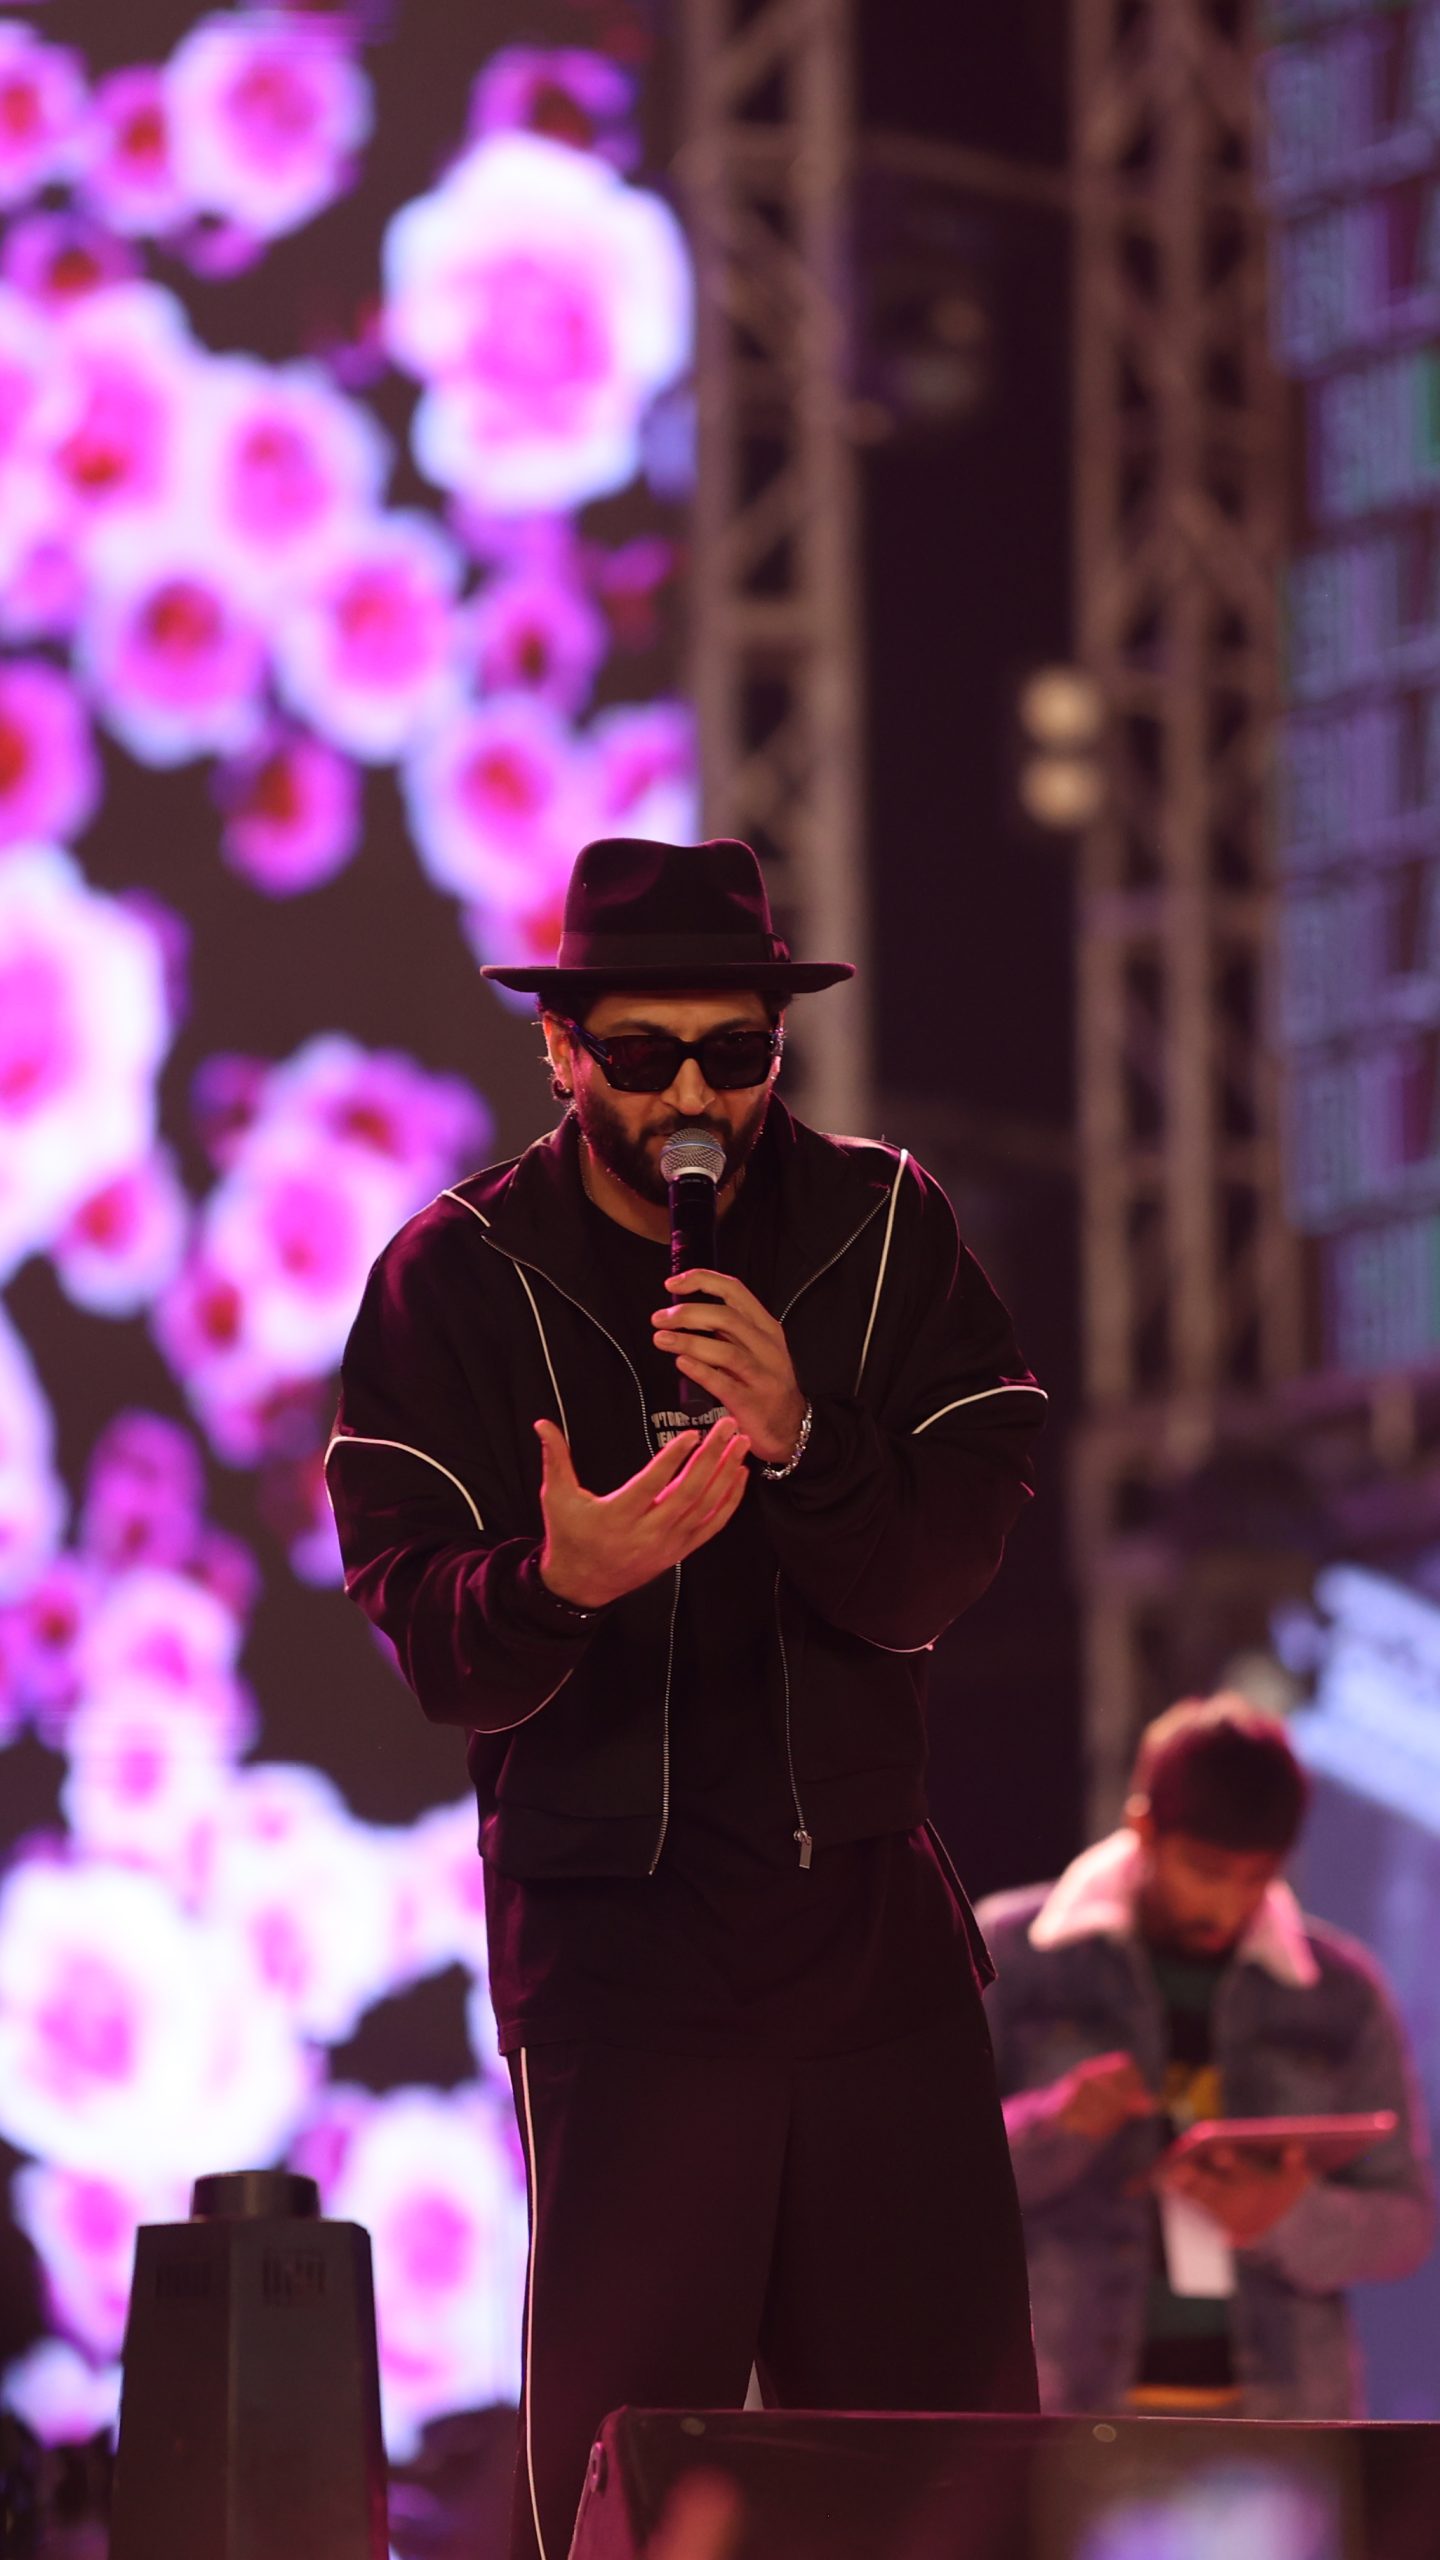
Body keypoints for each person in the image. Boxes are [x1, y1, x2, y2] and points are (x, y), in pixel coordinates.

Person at [326, 835, 1048, 2560]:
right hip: (622, 1962)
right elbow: (431, 1640)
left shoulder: (881, 1226)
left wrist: (804, 1440)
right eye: (644, 1057)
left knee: (952, 2478)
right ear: (561, 1050)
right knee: (635, 2480)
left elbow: (940, 1568)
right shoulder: (456, 1273)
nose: (693, 1099)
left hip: (866, 1940)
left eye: (735, 1052)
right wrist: (560, 1579)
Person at [977, 1693, 1435, 2419]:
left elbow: (1407, 2224)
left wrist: (1287, 2214)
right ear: (1143, 1829)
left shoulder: (1341, 1991)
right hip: (1068, 2409)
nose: (1227, 1905)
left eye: (1257, 1877)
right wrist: (1052, 2125)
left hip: (1283, 2415)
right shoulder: (1015, 1953)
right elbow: (925, 2182)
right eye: (1205, 1870)